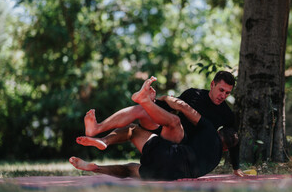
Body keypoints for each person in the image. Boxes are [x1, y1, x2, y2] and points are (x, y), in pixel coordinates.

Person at [77, 71, 244, 176]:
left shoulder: (227, 114)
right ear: (212, 85)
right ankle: (97, 131)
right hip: (168, 132)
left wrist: (236, 168)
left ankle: (98, 164)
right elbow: (167, 107)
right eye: (221, 90)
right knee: (141, 110)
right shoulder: (193, 94)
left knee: (173, 122)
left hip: (183, 143)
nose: (223, 95)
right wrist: (153, 101)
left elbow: (233, 142)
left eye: (227, 93)